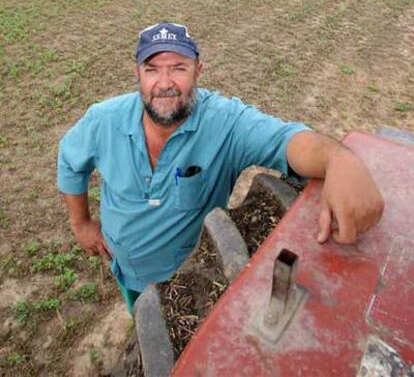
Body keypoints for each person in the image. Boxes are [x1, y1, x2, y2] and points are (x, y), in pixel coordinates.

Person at [57, 22, 384, 313]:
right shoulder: (103, 120)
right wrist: (81, 223)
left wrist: (339, 159)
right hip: (125, 269)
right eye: (152, 69)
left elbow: (288, 141)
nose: (165, 83)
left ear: (199, 70)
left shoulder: (226, 123)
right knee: (140, 317)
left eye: (179, 68)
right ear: (138, 74)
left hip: (190, 281)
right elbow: (71, 163)